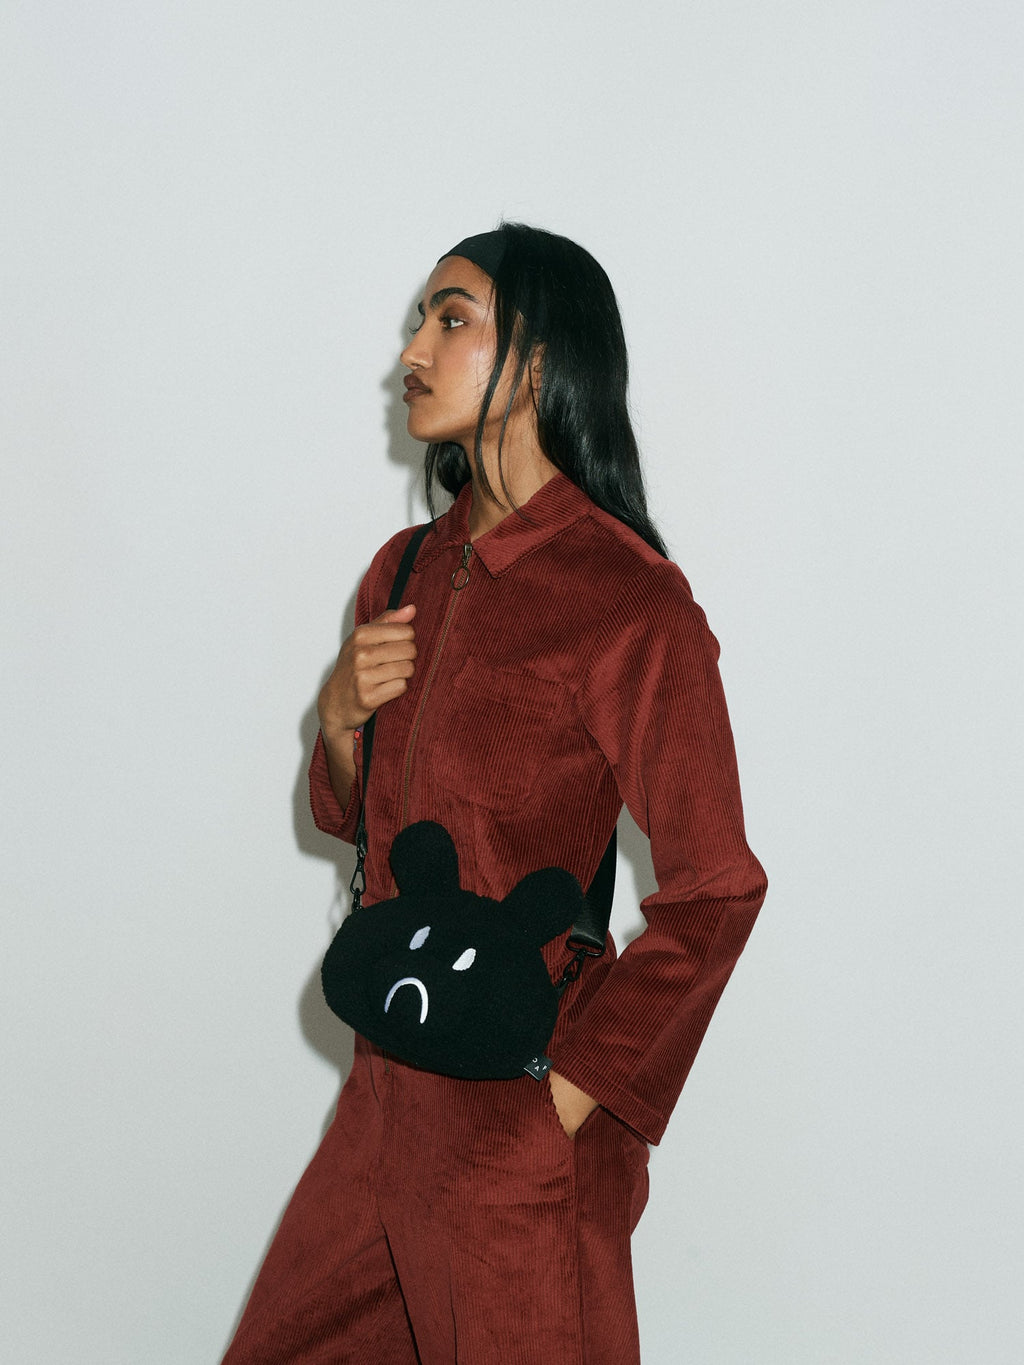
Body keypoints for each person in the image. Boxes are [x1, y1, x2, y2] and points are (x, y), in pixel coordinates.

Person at [222, 223, 767, 1364]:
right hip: (385, 1088)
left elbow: (715, 889)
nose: (412, 351)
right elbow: (362, 820)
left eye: (451, 318)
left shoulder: (629, 601)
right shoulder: (403, 571)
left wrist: (569, 1097)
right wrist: (337, 723)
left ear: (539, 359)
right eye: (417, 321)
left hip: (518, 1103)